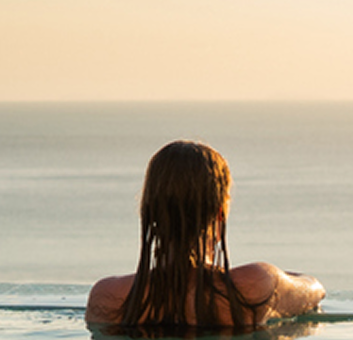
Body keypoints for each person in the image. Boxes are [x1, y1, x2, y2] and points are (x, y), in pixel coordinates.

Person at [85, 140, 325, 328]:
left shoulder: (109, 295)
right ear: (220, 214)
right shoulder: (255, 284)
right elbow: (314, 290)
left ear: (150, 213)